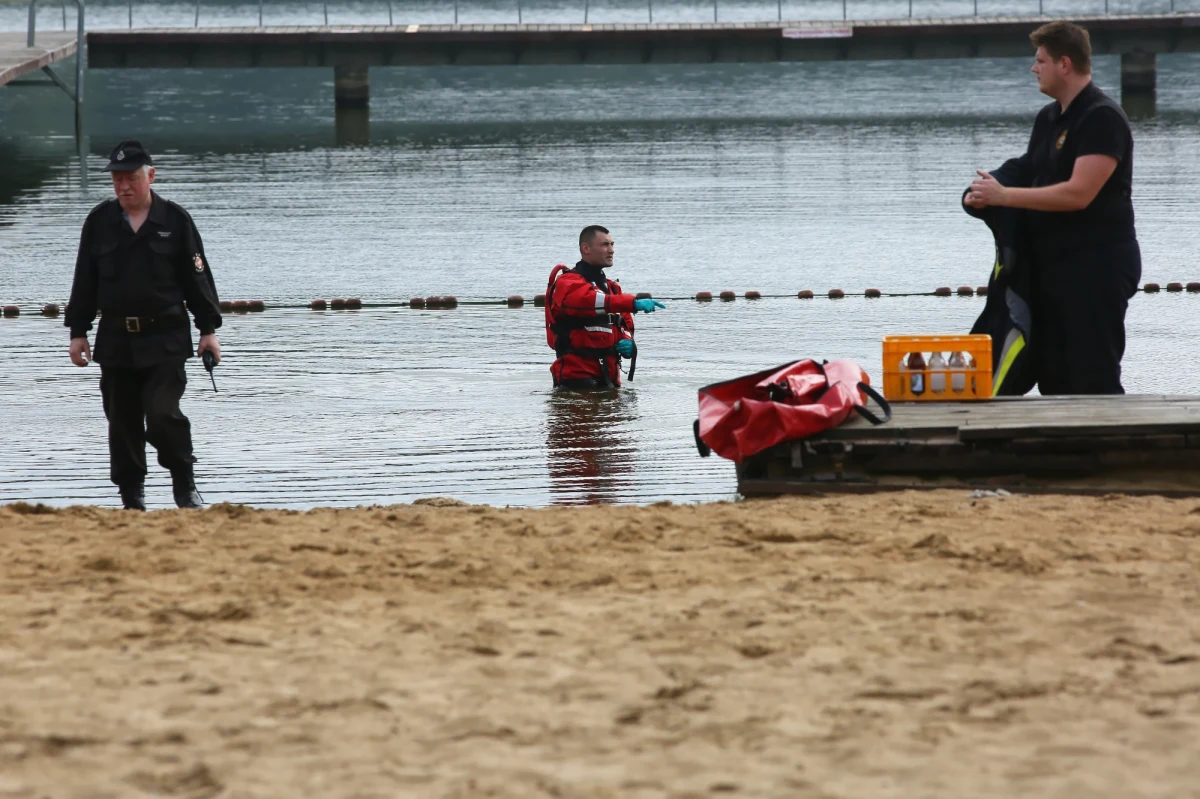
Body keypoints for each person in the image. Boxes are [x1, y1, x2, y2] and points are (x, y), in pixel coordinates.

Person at [965, 20, 1140, 395]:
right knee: (1055, 378)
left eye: (1040, 60)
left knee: (1093, 376)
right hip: (1053, 270)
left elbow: (1078, 194)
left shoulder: (1101, 117)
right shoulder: (1049, 118)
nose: (1034, 68)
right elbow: (1028, 168)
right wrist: (984, 189)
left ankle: (1111, 433)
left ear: (1065, 64)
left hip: (1098, 268)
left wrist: (1005, 196)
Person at [65, 140, 223, 510]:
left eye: (131, 178)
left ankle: (184, 485)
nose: (123, 186)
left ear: (151, 176)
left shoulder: (175, 220)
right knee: (122, 422)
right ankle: (131, 497)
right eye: (117, 179)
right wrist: (78, 332)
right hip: (116, 339)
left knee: (162, 414)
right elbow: (84, 280)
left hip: (165, 337)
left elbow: (198, 279)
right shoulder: (99, 222)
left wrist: (208, 331)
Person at [544, 225, 665, 390]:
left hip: (609, 380)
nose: (611, 250)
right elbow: (587, 301)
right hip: (576, 380)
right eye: (605, 245)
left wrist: (628, 342)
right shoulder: (567, 283)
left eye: (612, 244)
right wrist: (632, 303)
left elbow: (625, 324)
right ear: (586, 248)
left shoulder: (613, 289)